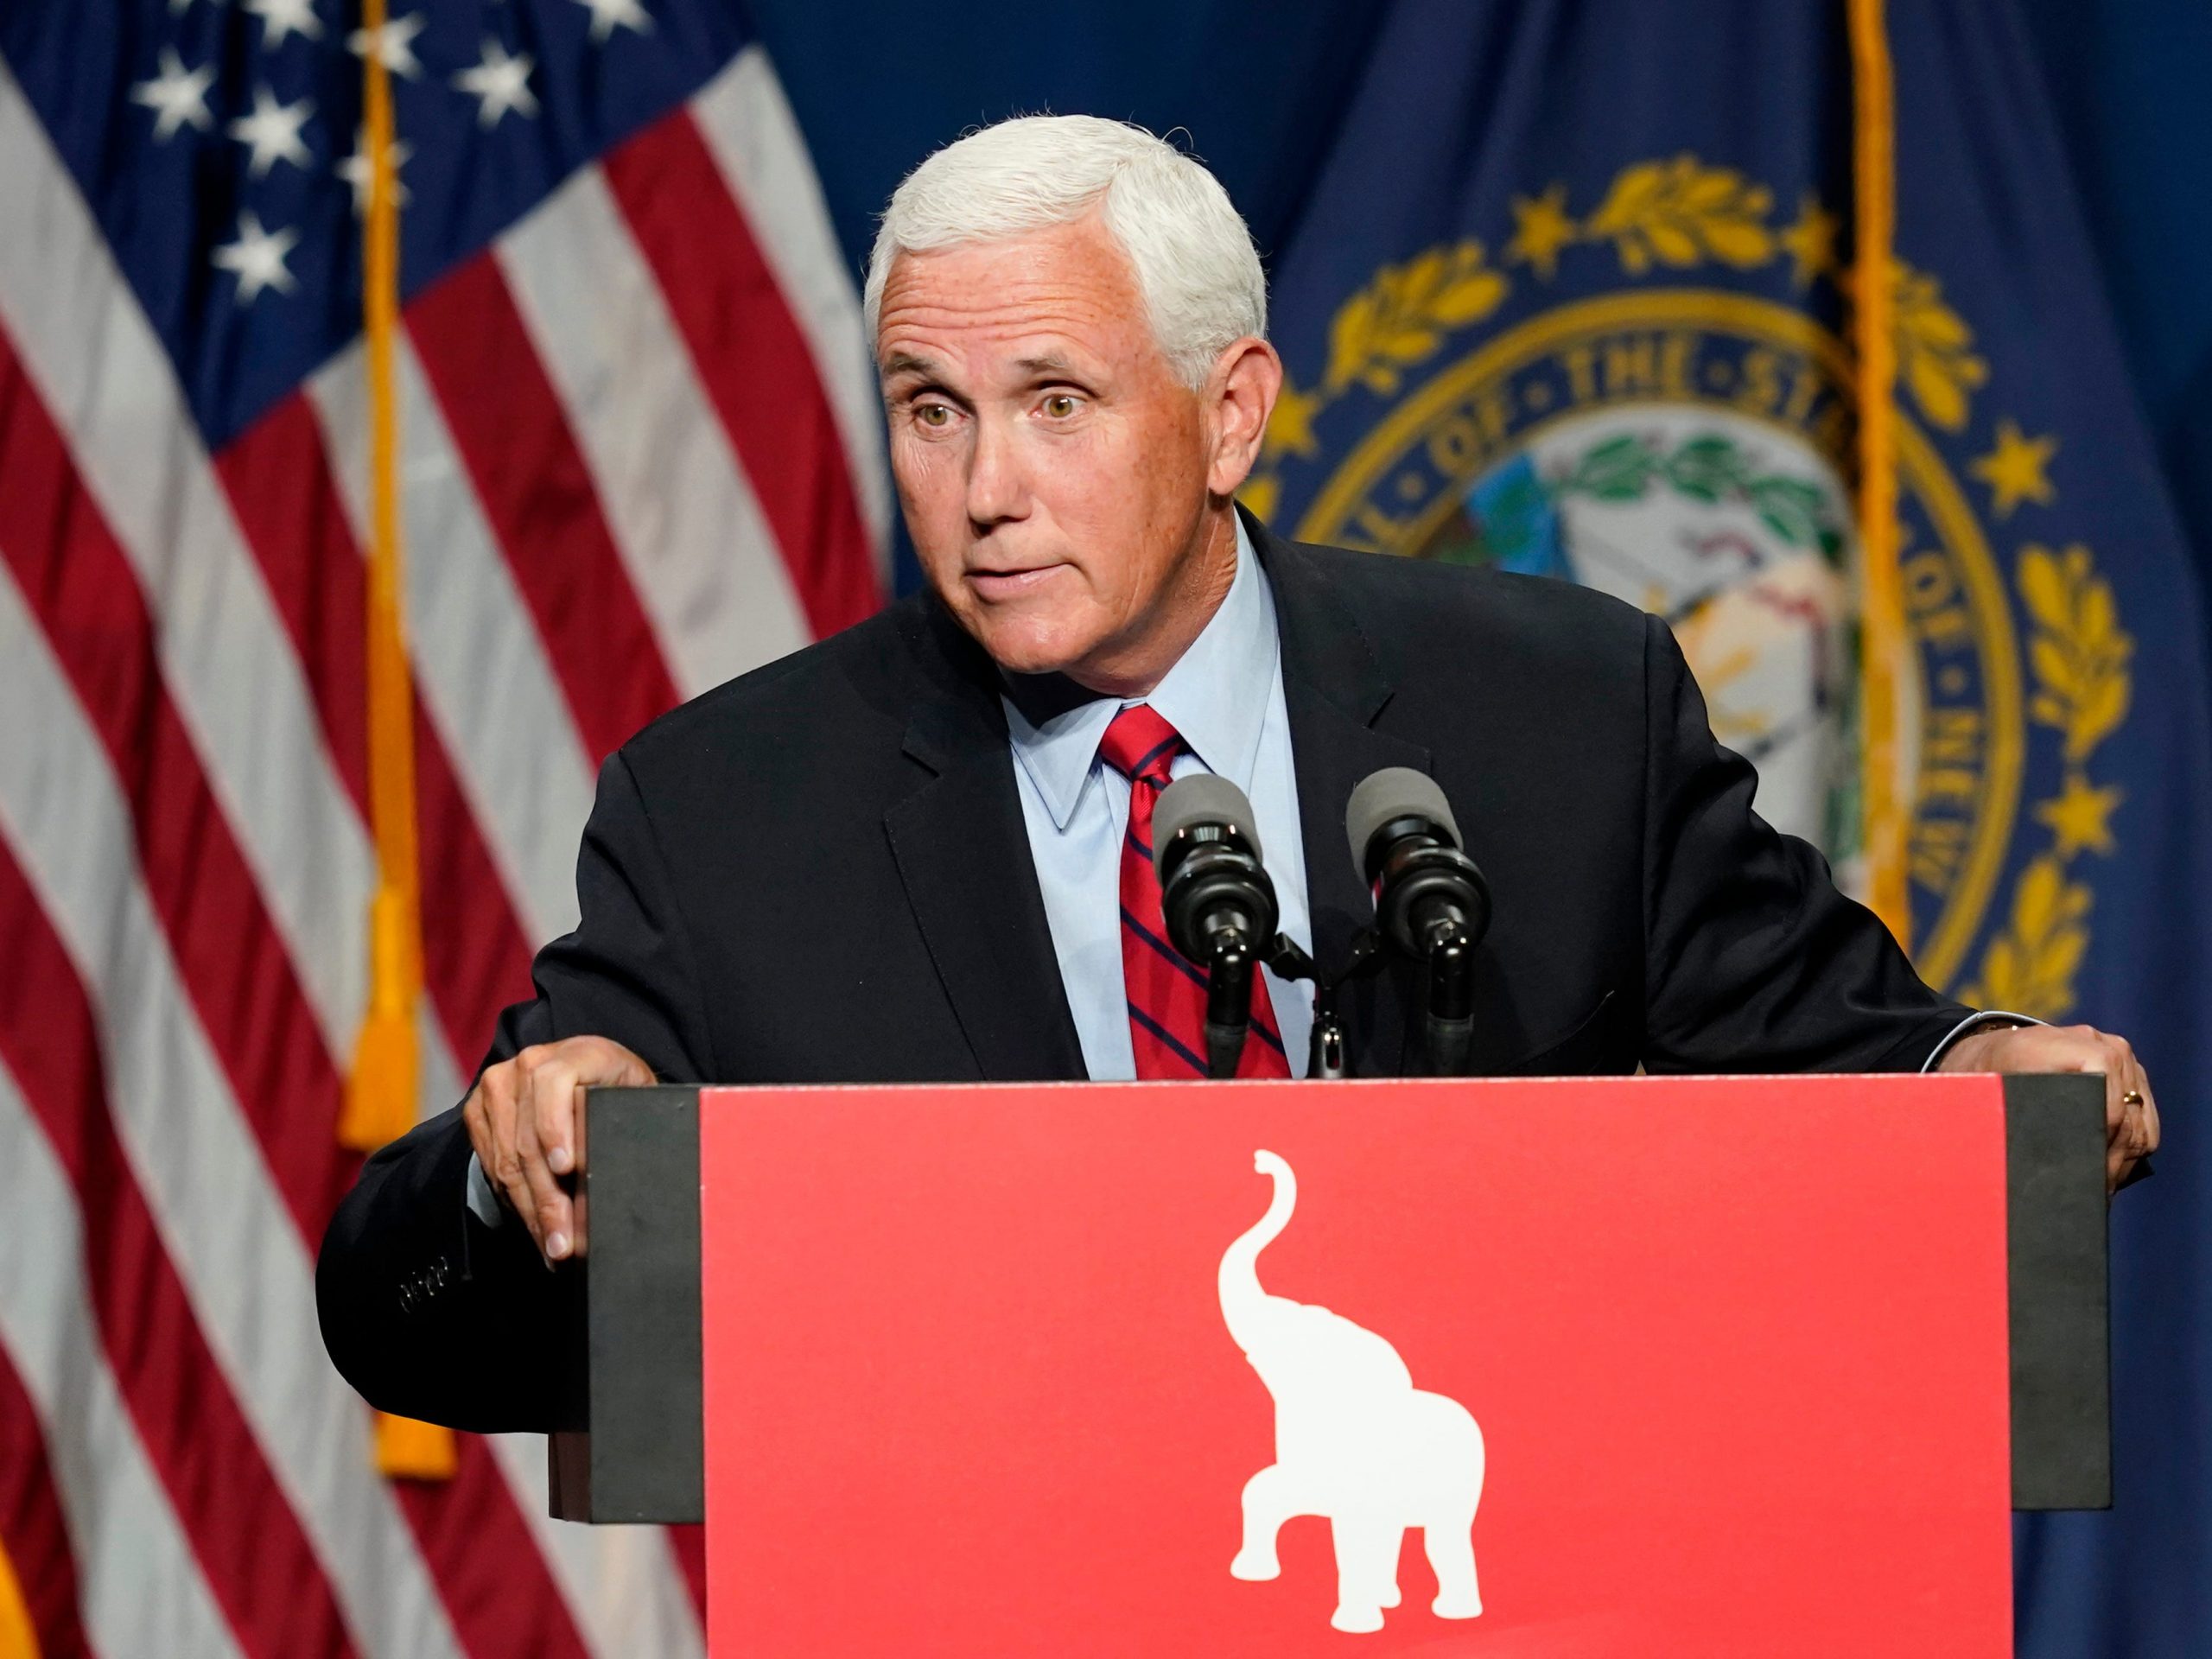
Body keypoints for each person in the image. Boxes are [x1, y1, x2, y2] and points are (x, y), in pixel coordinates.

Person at [317, 116, 2157, 1432]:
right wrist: (514, 1161)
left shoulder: (1553, 710)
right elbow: (413, 1323)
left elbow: (1835, 1045)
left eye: (1054, 401)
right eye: (927, 407)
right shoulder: (731, 811)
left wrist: (1980, 1068)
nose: (980, 491)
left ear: (1230, 413)